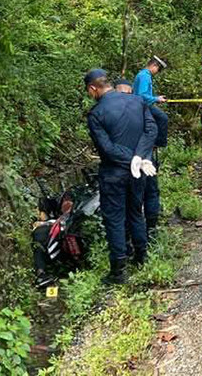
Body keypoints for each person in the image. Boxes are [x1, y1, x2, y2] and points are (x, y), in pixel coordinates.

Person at [85, 69, 156, 284]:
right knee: (135, 211)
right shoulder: (137, 101)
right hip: (139, 170)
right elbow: (151, 130)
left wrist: (131, 158)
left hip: (114, 174)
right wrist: (139, 157)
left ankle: (118, 271)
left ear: (92, 89)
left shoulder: (96, 114)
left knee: (115, 218)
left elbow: (106, 148)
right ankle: (141, 257)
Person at [117, 78, 162, 237]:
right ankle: (151, 229)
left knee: (129, 203)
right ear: (130, 90)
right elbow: (153, 127)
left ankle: (130, 238)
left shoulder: (110, 108)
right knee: (150, 192)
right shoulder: (140, 104)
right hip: (145, 158)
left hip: (124, 163)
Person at [132, 56, 170, 148]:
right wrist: (156, 99)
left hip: (142, 104)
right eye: (158, 69)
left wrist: (156, 98)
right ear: (154, 65)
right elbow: (142, 95)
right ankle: (159, 142)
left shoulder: (143, 74)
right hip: (143, 105)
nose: (158, 72)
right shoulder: (145, 76)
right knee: (163, 118)